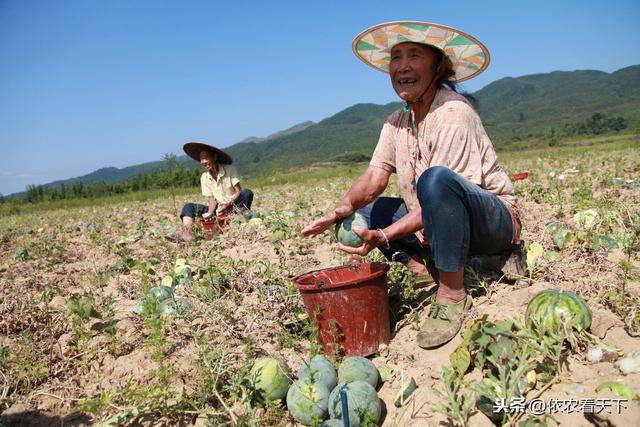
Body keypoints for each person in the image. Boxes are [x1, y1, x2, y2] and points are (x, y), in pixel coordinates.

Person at [302, 21, 523, 349]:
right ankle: (421, 264)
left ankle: (451, 294)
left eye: (414, 55)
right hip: (439, 220)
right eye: (396, 58)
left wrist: (385, 236)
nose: (403, 66)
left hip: (492, 221)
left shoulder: (453, 113)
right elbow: (375, 177)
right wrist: (344, 207)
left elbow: (444, 195)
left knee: (436, 181)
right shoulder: (396, 122)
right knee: (370, 210)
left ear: (439, 66)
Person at [169, 141, 253, 242]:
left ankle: (238, 221)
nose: (203, 162)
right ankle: (187, 234)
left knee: (247, 193)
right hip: (218, 209)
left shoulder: (230, 170)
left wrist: (228, 204)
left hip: (232, 206)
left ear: (214, 157)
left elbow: (238, 191)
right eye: (201, 159)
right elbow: (212, 199)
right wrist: (209, 214)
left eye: (205, 158)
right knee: (188, 207)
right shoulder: (204, 177)